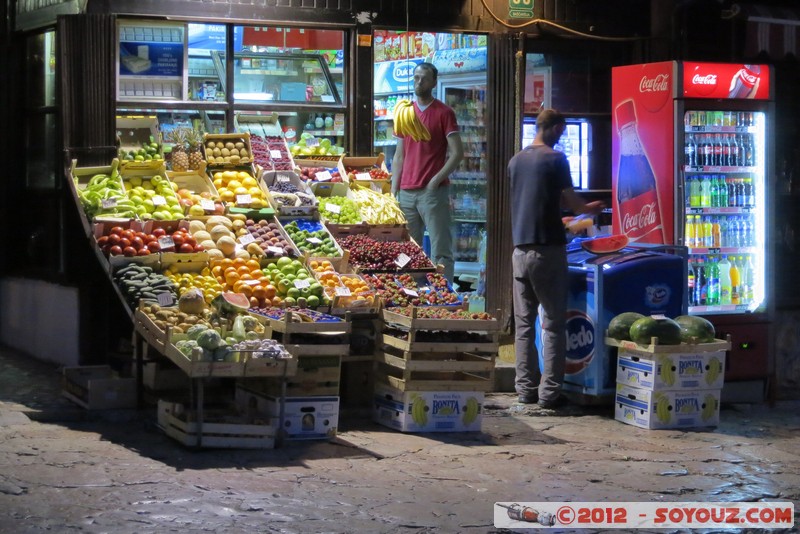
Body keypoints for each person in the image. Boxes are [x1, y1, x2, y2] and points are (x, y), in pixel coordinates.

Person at [508, 109, 605, 409]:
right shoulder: (555, 159)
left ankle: (524, 390)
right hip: (547, 250)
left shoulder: (516, 160)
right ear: (557, 128)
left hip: (519, 251)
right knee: (552, 324)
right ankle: (549, 395)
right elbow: (574, 204)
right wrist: (591, 208)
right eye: (561, 132)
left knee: (524, 325)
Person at [391, 62, 464, 282]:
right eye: (415, 78)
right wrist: (394, 191)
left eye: (423, 78)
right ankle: (413, 294)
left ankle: (444, 296)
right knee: (408, 250)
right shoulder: (405, 113)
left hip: (432, 193)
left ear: (434, 82)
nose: (419, 82)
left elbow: (457, 153)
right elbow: (399, 156)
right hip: (406, 192)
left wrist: (435, 181)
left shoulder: (444, 113)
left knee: (440, 249)